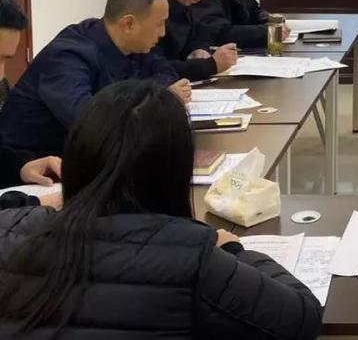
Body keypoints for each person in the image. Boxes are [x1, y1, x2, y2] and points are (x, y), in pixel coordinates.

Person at [0, 79, 322, 338]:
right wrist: (234, 249)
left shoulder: (11, 231)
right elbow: (301, 316)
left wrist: (32, 203)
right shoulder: (193, 257)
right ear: (174, 170)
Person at [0, 0, 188, 156]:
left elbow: (167, 72)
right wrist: (153, 99)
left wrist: (150, 95)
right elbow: (91, 124)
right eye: (159, 24)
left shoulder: (128, 45)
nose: (163, 33)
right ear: (128, 24)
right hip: (29, 165)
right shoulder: (68, 55)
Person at [0, 0, 61, 196]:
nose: (1, 74)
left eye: (5, 60)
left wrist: (23, 167)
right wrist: (34, 205)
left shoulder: (2, 89)